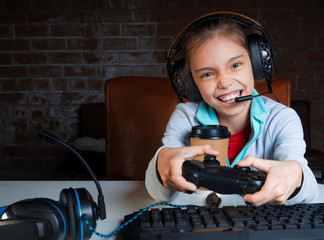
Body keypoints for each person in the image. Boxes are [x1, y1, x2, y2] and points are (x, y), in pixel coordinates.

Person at [145, 13, 318, 206]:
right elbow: (160, 194)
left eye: (235, 65)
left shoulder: (282, 119)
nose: (225, 83)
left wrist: (294, 175)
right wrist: (162, 162)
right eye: (208, 74)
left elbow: (310, 191)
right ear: (191, 85)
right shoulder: (185, 117)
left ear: (256, 64)